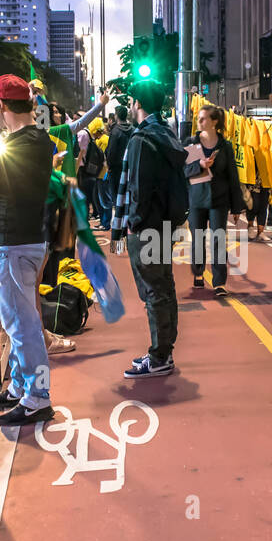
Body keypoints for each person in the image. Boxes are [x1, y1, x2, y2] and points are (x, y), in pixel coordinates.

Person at [0, 74, 56, 426]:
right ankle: (21, 387)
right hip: (23, 240)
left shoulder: (16, 146)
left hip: (12, 244)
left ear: (1, 106)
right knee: (17, 321)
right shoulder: (37, 140)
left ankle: (37, 397)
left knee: (22, 324)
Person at [111, 79, 187, 379]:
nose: (130, 107)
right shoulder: (166, 134)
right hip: (165, 224)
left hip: (145, 228)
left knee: (153, 291)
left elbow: (136, 188)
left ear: (138, 104)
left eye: (131, 102)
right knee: (164, 288)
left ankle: (159, 357)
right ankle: (163, 350)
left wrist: (130, 225)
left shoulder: (141, 140)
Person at [184, 103, 244, 296]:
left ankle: (219, 282)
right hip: (196, 199)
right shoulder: (192, 142)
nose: (199, 122)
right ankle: (198, 272)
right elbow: (184, 170)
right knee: (198, 239)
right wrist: (200, 164)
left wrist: (236, 207)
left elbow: (233, 177)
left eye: (203, 119)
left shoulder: (224, 146)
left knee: (218, 239)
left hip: (219, 200)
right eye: (198, 118)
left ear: (214, 122)